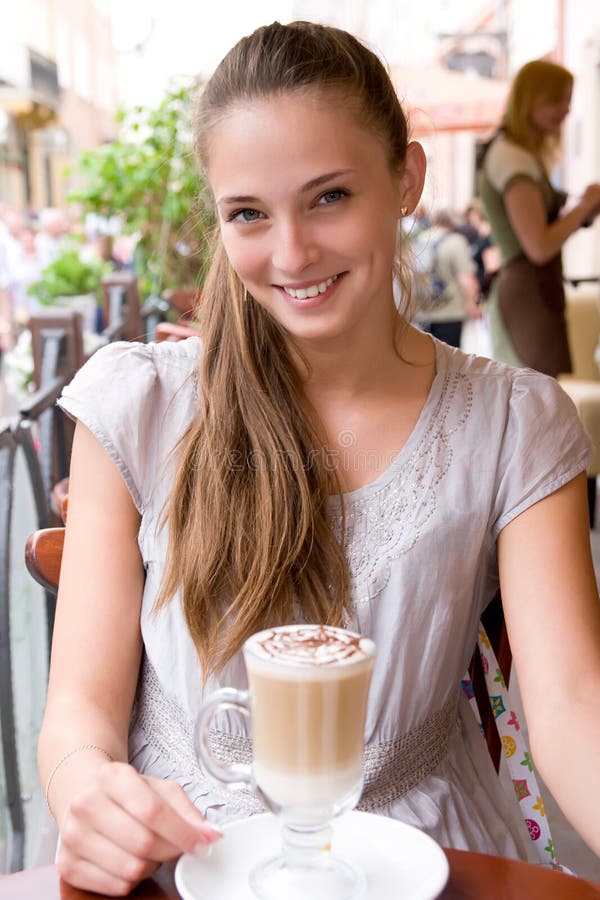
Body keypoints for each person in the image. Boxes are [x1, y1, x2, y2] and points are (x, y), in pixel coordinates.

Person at [37, 21, 600, 896]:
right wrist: (86, 791)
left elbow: (572, 709)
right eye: (249, 214)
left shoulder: (514, 422)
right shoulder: (138, 406)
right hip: (185, 858)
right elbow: (78, 710)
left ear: (406, 179)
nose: (292, 254)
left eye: (330, 196)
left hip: (426, 856)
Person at [478, 59, 600, 376]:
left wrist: (584, 209)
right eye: (557, 100)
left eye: (568, 100)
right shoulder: (512, 158)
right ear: (531, 99)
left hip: (532, 294)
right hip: (525, 298)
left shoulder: (517, 155)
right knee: (534, 404)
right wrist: (584, 205)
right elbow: (539, 246)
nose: (566, 110)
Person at [412, 208, 482, 348]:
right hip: (451, 311)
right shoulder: (456, 242)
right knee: (450, 361)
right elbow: (465, 278)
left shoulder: (420, 239)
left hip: (424, 310)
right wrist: (475, 303)